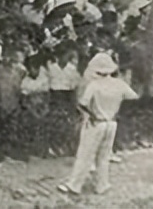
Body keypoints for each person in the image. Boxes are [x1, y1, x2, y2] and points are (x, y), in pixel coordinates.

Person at [58, 52, 137, 196]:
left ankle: (74, 185)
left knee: (85, 154)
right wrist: (117, 110)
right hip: (111, 123)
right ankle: (102, 185)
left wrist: (92, 115)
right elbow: (133, 97)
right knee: (104, 156)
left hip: (96, 123)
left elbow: (82, 104)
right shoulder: (119, 84)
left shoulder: (94, 85)